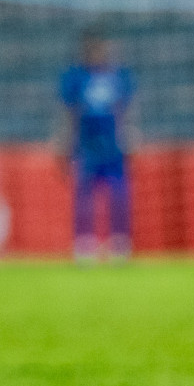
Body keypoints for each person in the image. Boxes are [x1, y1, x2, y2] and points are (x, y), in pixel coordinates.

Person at [56, 31, 137, 262]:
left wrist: (130, 134)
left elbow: (127, 110)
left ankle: (120, 243)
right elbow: (68, 112)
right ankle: (84, 244)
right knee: (83, 194)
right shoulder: (75, 77)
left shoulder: (119, 76)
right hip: (86, 144)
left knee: (120, 193)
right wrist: (63, 142)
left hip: (113, 145)